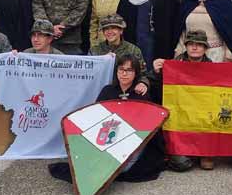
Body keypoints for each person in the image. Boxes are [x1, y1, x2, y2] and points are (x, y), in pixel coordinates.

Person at [49, 54, 165, 185]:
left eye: (129, 70)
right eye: (121, 69)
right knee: (92, 166)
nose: (124, 74)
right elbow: (96, 118)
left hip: (130, 143)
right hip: (109, 141)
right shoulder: (107, 91)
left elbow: (145, 128)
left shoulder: (141, 95)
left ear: (136, 73)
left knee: (121, 168)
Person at [154, 30, 216, 171]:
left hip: (203, 117)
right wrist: (156, 73)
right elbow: (157, 88)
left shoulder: (213, 68)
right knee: (181, 164)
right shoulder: (173, 65)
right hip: (180, 117)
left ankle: (204, 152)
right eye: (191, 44)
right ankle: (186, 152)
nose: (194, 48)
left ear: (205, 48)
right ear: (185, 46)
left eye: (199, 45)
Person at [90, 14, 150, 91]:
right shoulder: (95, 51)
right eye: (106, 29)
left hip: (127, 92)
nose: (109, 32)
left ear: (121, 30)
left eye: (114, 28)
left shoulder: (133, 50)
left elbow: (143, 75)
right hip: (100, 91)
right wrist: (103, 60)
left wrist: (143, 83)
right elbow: (89, 75)